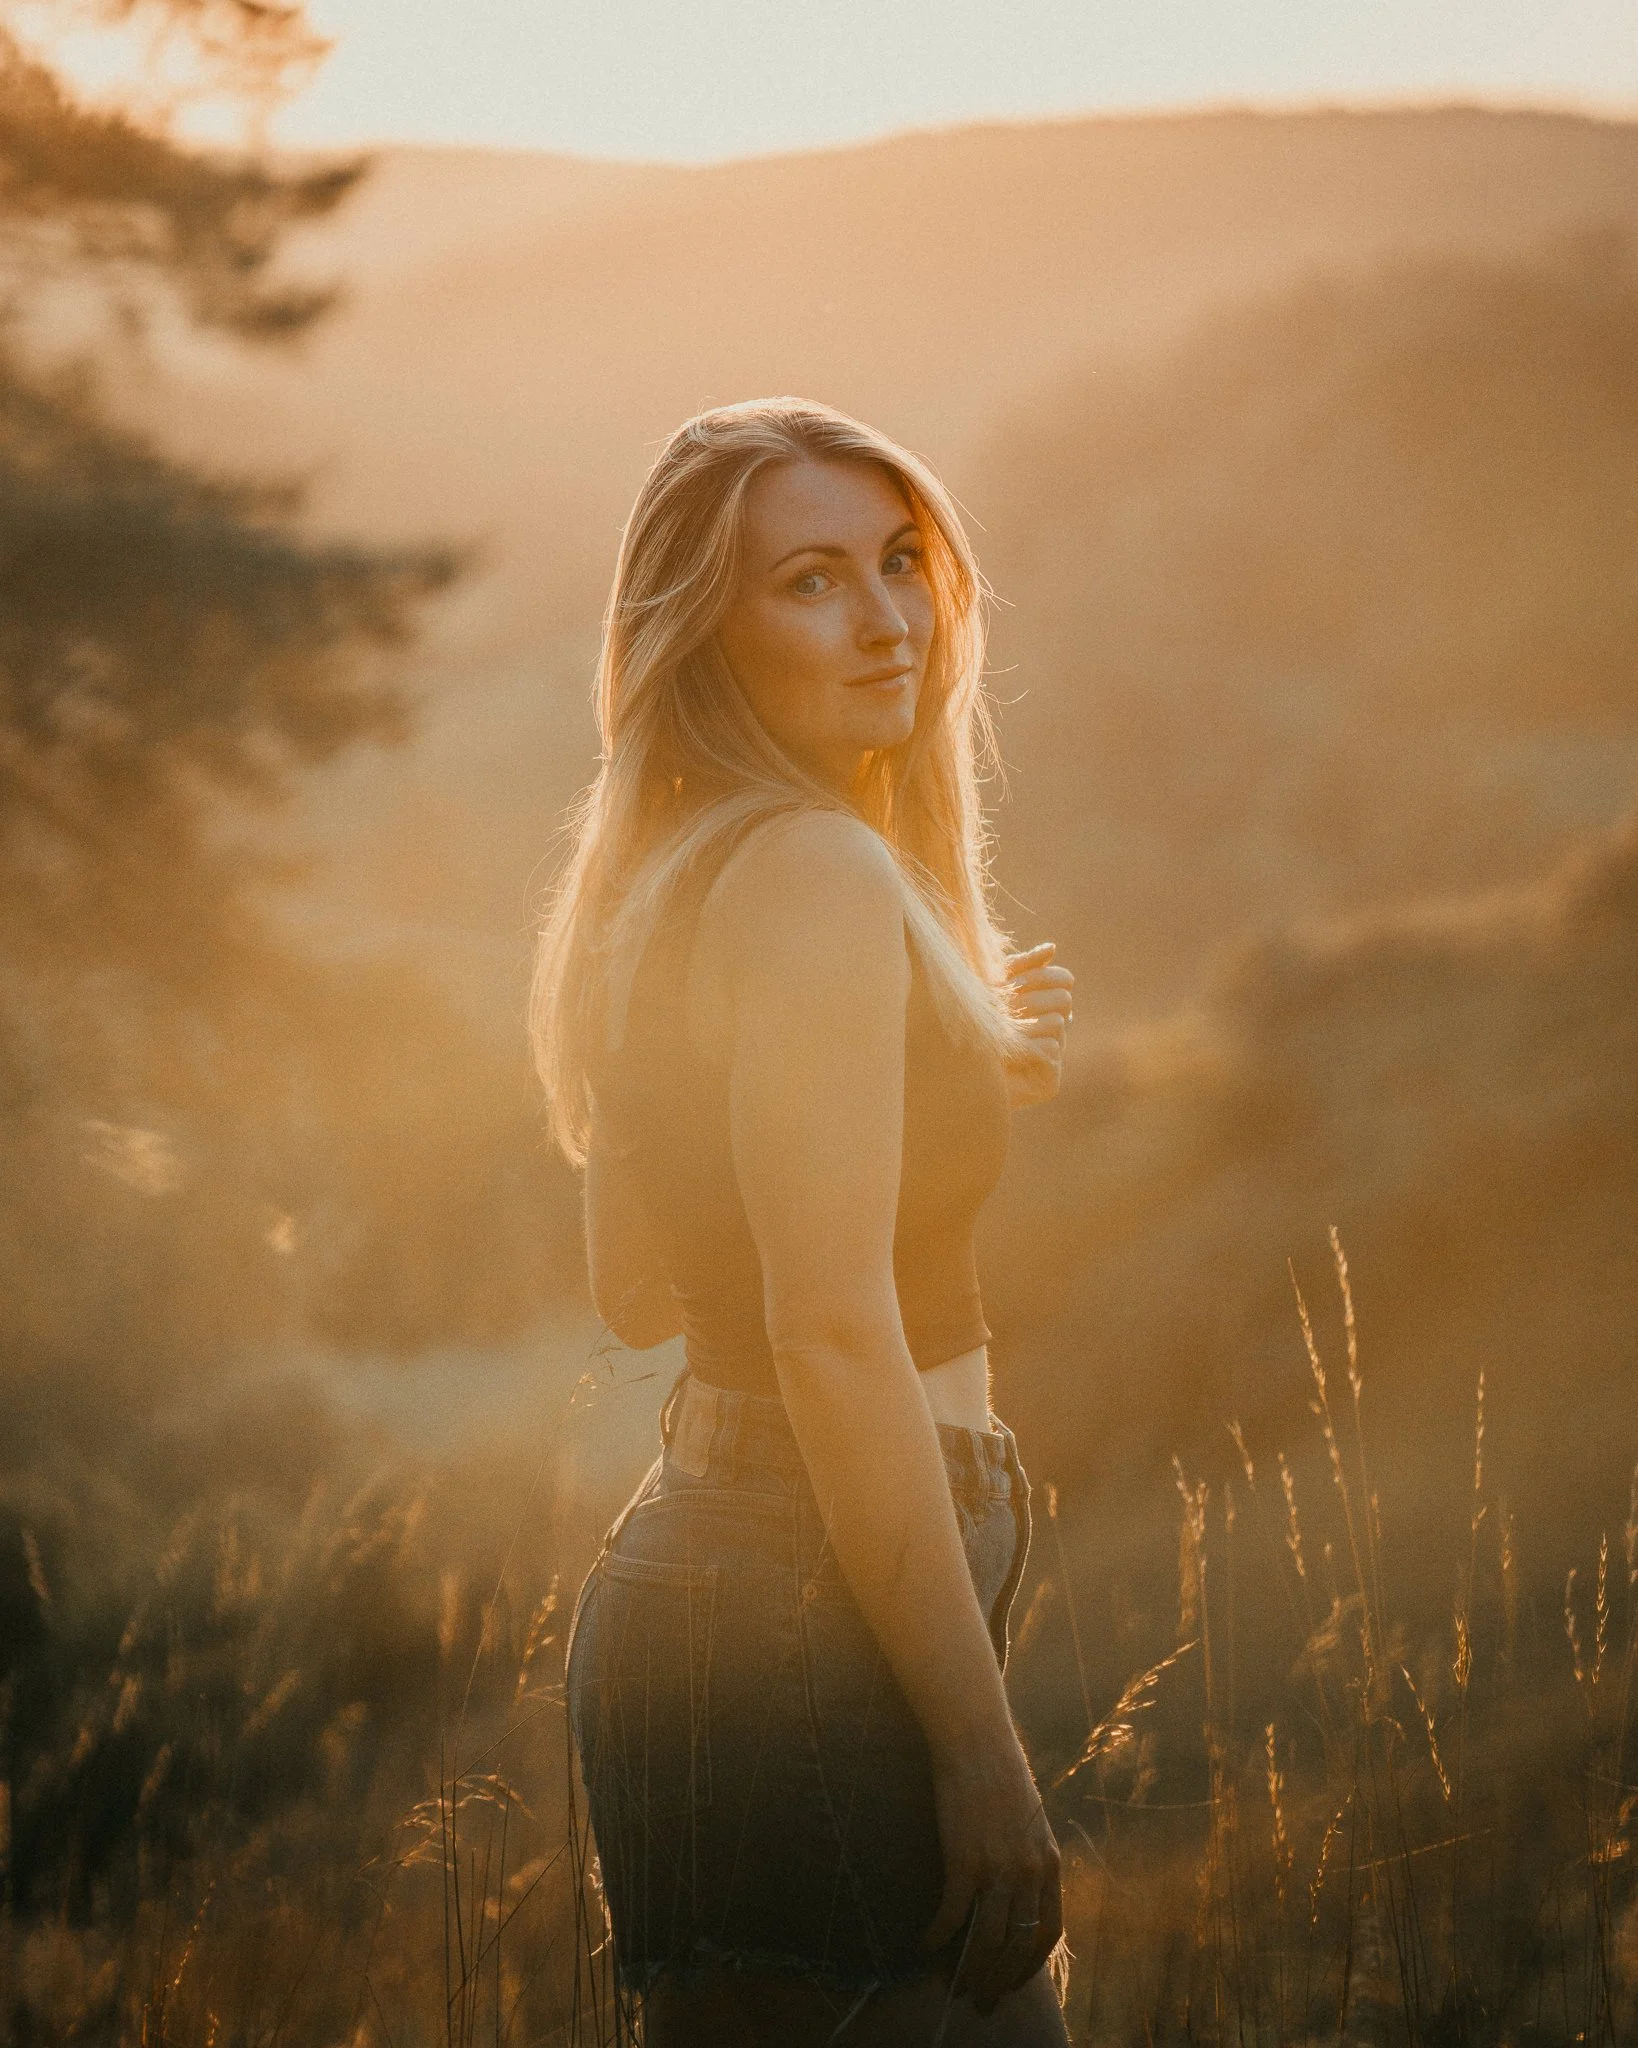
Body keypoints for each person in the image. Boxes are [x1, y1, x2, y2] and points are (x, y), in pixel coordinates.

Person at [532, 398, 1076, 2046]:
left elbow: (640, 1290)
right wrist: (984, 1759)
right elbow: (828, 1330)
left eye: (901, 563)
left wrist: (929, 1076)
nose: (889, 618)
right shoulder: (819, 876)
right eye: (812, 582)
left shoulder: (673, 878)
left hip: (732, 1577)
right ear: (704, 630)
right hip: (808, 1595)